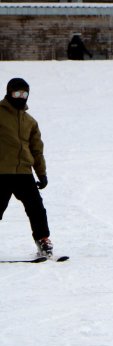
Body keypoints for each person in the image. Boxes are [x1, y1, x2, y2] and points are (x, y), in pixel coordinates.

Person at [0, 78, 53, 258]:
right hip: (1, 172)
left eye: (24, 94)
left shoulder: (30, 121)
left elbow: (37, 150)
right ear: (9, 93)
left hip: (24, 173)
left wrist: (42, 173)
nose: (21, 97)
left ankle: (43, 241)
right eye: (17, 93)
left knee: (36, 208)